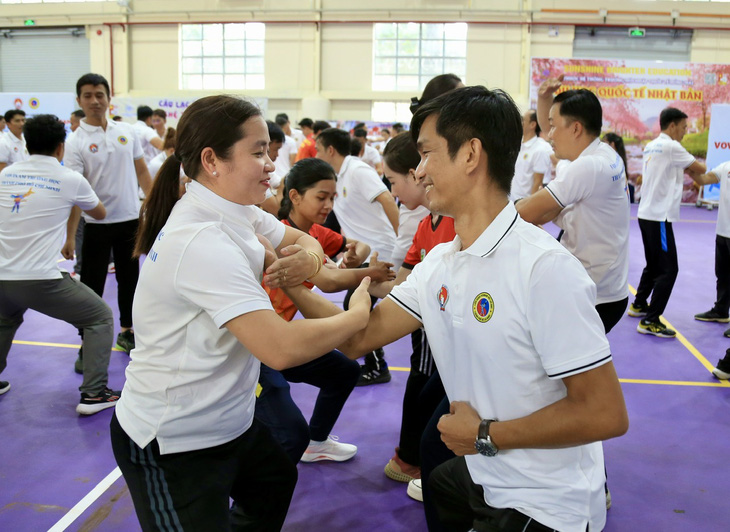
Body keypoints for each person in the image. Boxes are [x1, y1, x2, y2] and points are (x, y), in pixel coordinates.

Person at [282, 86, 629, 532]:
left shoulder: (543, 269)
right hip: (484, 474)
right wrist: (289, 280)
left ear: (470, 155)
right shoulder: (443, 263)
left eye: (426, 154)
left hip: (543, 504)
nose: (419, 170)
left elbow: (605, 413)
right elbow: (355, 338)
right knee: (440, 474)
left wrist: (484, 435)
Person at [110, 95, 374, 531]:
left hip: (229, 421)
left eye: (269, 150)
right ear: (212, 160)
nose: (271, 162)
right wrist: (356, 317)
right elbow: (280, 349)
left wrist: (305, 263)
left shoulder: (239, 212)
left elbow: (304, 241)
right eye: (258, 153)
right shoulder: (202, 239)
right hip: (174, 439)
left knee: (274, 479)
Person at [256, 157, 395, 465]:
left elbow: (350, 246)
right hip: (258, 342)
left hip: (286, 337)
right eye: (321, 197)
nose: (329, 204)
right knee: (283, 426)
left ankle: (315, 442)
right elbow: (329, 281)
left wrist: (353, 255)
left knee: (344, 371)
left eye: (333, 197)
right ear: (294, 196)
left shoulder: (317, 233)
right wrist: (367, 273)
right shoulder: (280, 236)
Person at [0, 114, 120, 414]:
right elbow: (101, 213)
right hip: (40, 279)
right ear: (61, 148)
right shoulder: (69, 178)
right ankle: (94, 393)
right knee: (100, 318)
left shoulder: (6, 175)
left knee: (4, 319)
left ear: (26, 144)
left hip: (2, 276)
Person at [366, 132, 455, 500]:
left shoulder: (457, 224)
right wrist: (365, 283)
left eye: (393, 180)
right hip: (436, 331)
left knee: (430, 392)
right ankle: (411, 458)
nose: (419, 174)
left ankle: (413, 458)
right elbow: (403, 289)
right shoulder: (424, 225)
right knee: (427, 390)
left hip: (452, 336)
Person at [517, 78, 630, 335]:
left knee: (566, 369)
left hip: (593, 295)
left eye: (555, 127)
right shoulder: (602, 155)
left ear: (576, 129)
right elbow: (543, 210)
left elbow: (526, 212)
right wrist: (544, 96)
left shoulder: (587, 167)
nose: (550, 135)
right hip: (604, 289)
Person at [64, 73, 154, 363]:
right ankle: (87, 343)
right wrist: (70, 235)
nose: (94, 100)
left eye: (99, 94)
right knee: (91, 287)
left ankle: (127, 331)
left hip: (130, 221)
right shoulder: (75, 142)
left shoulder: (126, 132)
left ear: (108, 97)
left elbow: (142, 172)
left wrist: (155, 206)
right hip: (96, 225)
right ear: (79, 100)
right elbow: (77, 191)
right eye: (88, 95)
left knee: (130, 281)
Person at [315, 126, 399, 385]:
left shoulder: (358, 170)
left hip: (379, 251)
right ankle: (375, 363)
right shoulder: (337, 177)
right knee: (356, 307)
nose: (316, 155)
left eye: (318, 150)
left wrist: (403, 240)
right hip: (361, 252)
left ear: (330, 150)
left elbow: (387, 199)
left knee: (357, 307)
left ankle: (376, 366)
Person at [630, 107, 708, 338]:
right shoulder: (672, 146)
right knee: (669, 269)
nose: (685, 132)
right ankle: (651, 320)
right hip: (660, 216)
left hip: (646, 213)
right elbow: (701, 169)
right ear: (672, 126)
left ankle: (639, 304)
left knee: (654, 264)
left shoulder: (651, 145)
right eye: (684, 127)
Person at [693, 161, 730, 339]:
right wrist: (687, 169)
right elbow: (703, 180)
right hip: (723, 230)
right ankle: (721, 311)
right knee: (722, 275)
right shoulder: (726, 166)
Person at [509, 108, 553, 199]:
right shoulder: (517, 145)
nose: (520, 123)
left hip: (523, 202)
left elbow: (538, 183)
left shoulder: (539, 149)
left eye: (523, 120)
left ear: (532, 125)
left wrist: (529, 206)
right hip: (511, 200)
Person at [604, 132, 633, 203]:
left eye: (604, 142)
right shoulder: (618, 159)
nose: (601, 146)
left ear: (612, 144)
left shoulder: (613, 161)